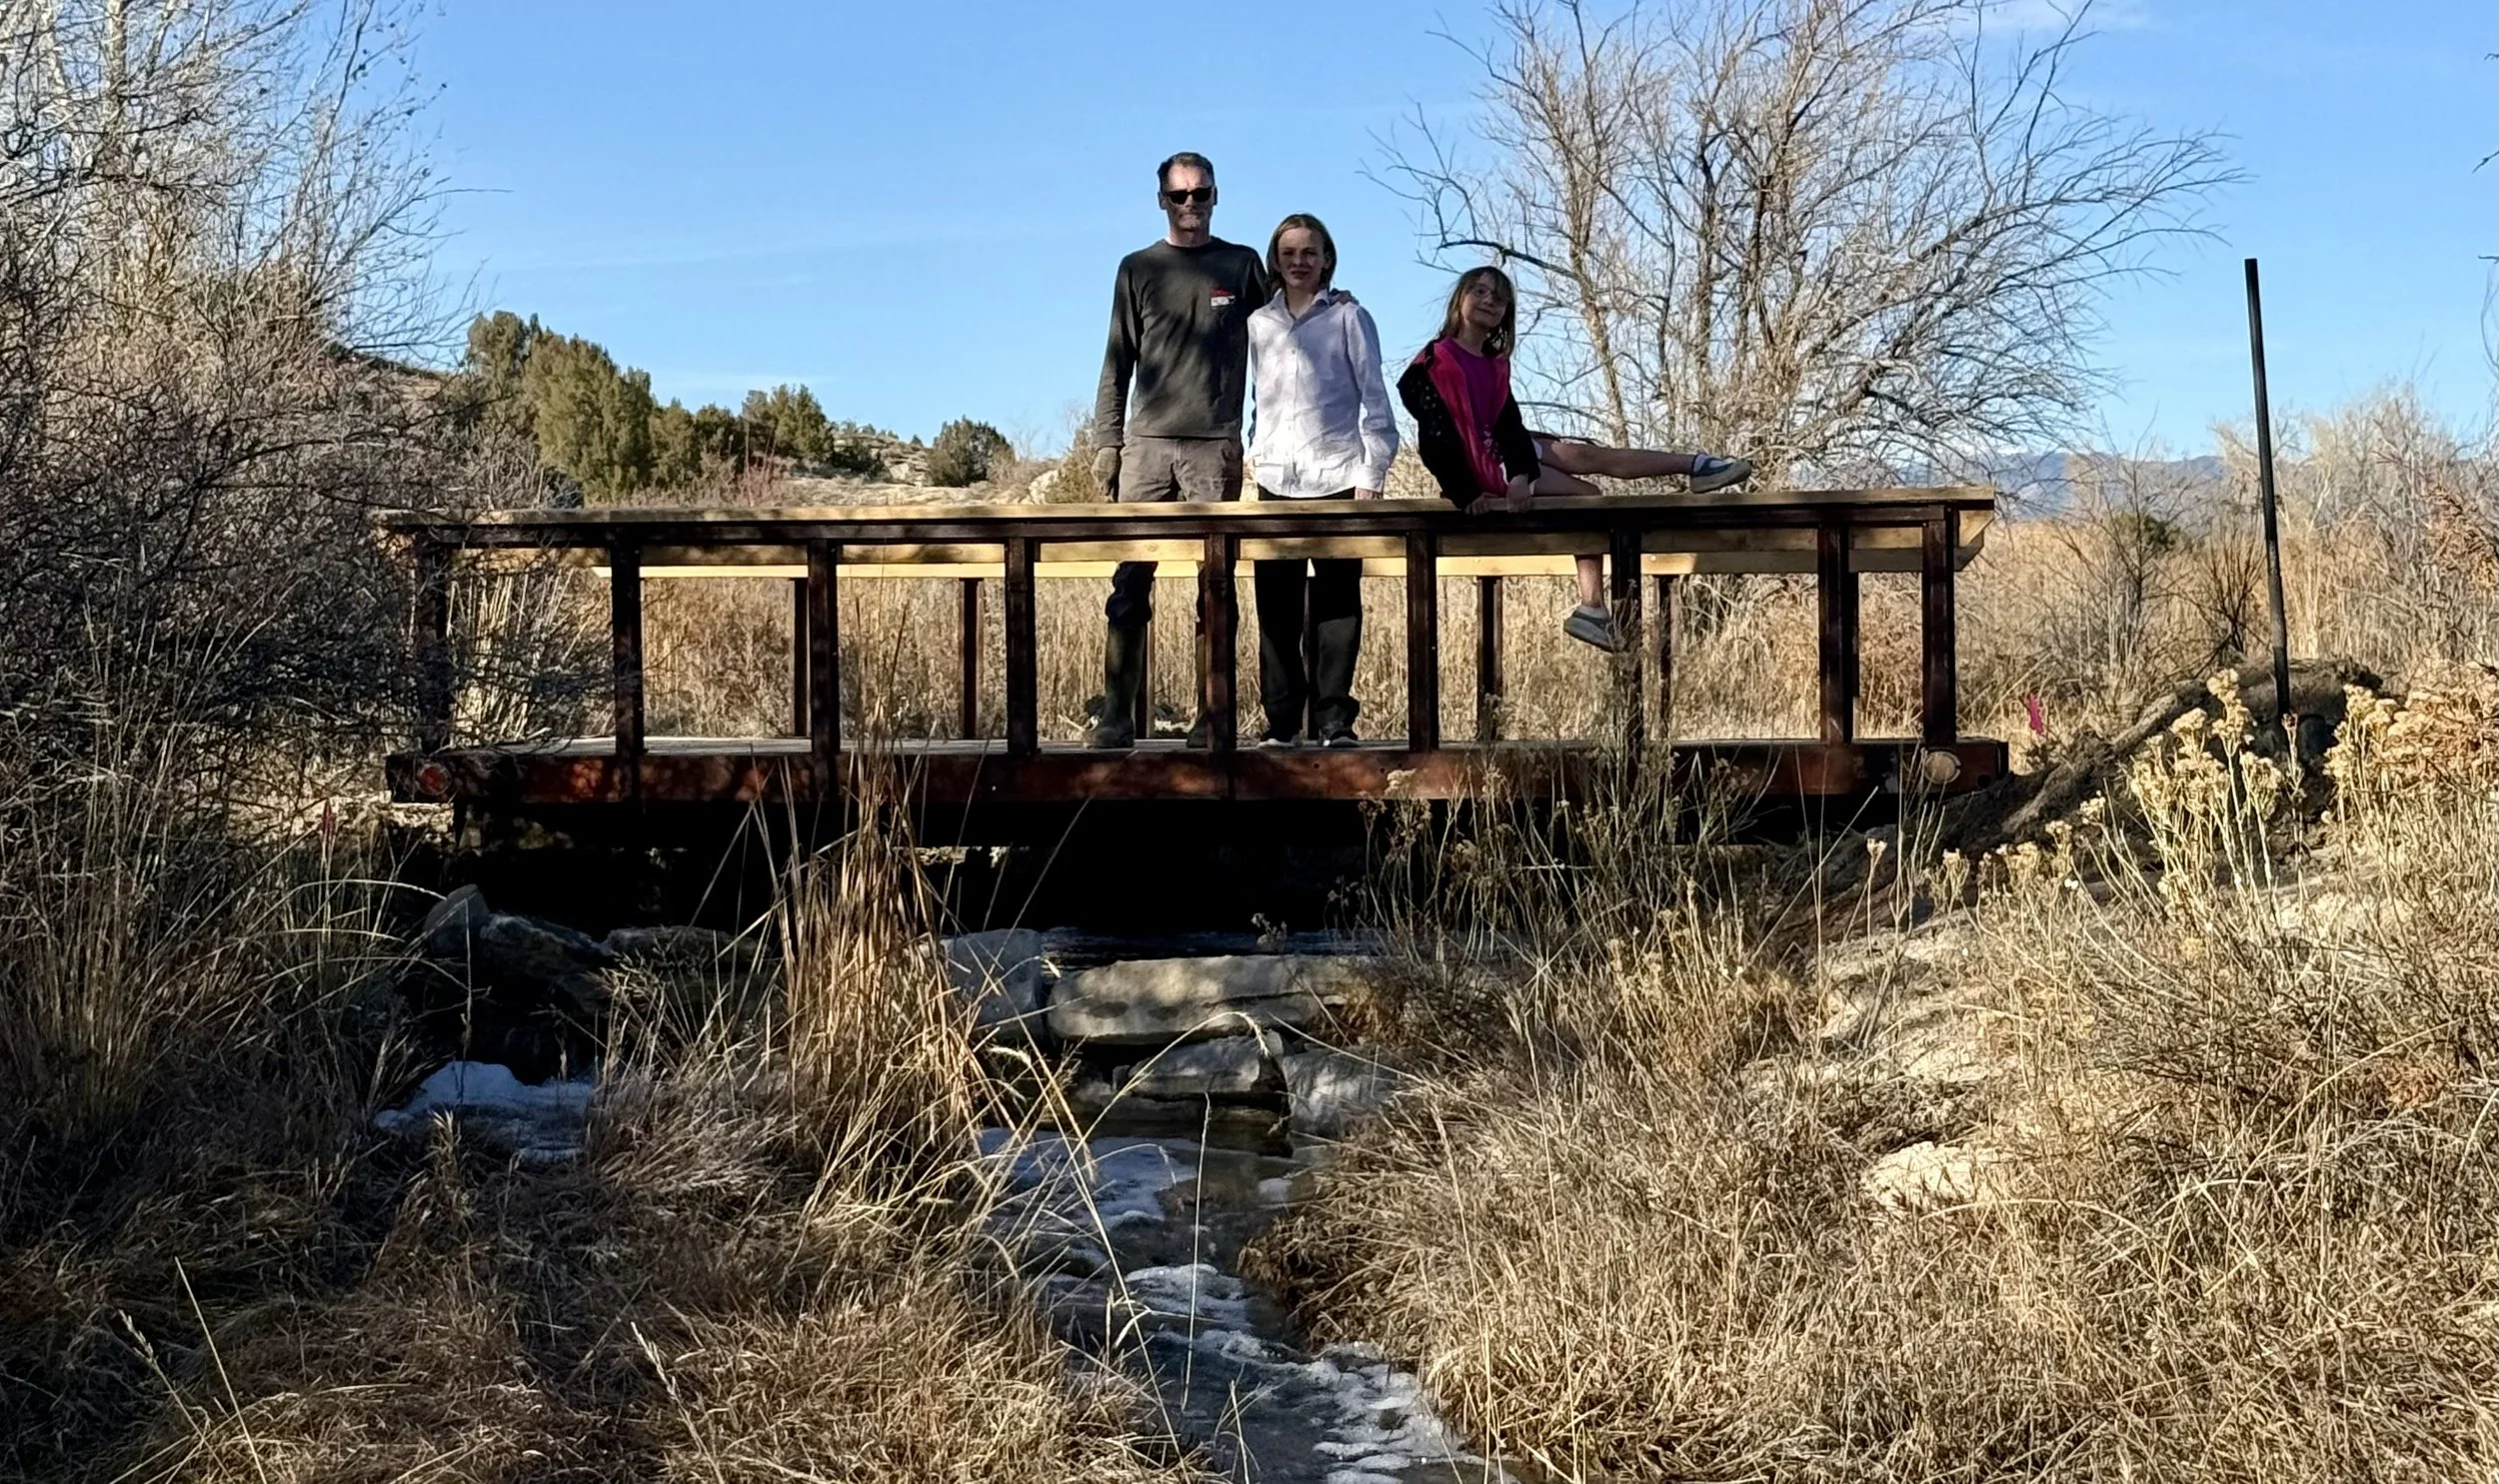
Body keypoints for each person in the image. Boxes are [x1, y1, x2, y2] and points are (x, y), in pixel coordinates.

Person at [1396, 265, 1752, 652]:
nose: (1488, 301)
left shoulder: (1494, 362)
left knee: (1585, 455)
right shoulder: (1433, 361)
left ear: (1505, 313)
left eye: (1498, 299)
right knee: (1588, 496)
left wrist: (1520, 473)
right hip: (1478, 465)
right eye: (1479, 292)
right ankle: (1591, 608)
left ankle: (1697, 466)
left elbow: (1508, 423)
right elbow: (1433, 438)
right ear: (1459, 299)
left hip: (1504, 451)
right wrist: (1465, 492)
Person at [1087, 151, 1268, 748]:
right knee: (1130, 581)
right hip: (1147, 447)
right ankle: (1116, 716)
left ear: (1217, 196)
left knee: (1215, 585)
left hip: (1215, 446)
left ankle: (1212, 717)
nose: (1191, 204)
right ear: (1161, 200)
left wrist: (1330, 297)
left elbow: (1283, 341)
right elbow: (1117, 359)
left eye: (1201, 193)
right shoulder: (1137, 268)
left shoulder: (1241, 266)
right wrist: (1107, 443)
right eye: (1180, 195)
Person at [1245, 214, 1396, 747]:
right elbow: (1258, 400)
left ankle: (1335, 720)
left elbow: (1375, 399)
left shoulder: (1350, 317)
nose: (1299, 261)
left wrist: (1371, 474)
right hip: (1274, 482)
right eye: (1289, 252)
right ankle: (1282, 724)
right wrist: (1253, 454)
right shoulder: (1260, 323)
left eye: (1310, 252)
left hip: (1337, 475)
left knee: (1337, 606)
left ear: (1327, 258)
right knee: (1275, 608)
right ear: (1276, 260)